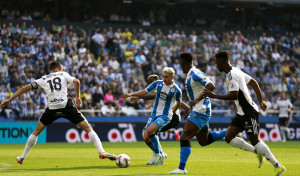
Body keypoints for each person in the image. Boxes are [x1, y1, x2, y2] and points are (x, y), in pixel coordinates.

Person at [0, 61, 116, 164]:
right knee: (88, 128)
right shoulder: (63, 74)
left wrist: (9, 100)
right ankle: (101, 151)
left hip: (52, 108)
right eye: (60, 69)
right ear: (57, 69)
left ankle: (22, 158)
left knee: (37, 131)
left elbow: (23, 89)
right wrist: (77, 98)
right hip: (66, 106)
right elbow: (77, 81)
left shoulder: (43, 79)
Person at [202, 50, 286, 176]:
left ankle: (277, 166)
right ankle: (256, 152)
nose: (216, 65)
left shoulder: (232, 75)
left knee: (255, 141)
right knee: (229, 138)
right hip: (241, 112)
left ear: (222, 62)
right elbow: (253, 82)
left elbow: (234, 95)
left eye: (217, 63)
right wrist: (261, 100)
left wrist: (214, 96)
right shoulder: (236, 70)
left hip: (249, 112)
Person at [169, 52, 228, 174]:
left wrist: (197, 100)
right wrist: (190, 109)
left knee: (185, 137)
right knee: (203, 141)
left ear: (185, 64)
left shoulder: (195, 73)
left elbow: (211, 85)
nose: (180, 67)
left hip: (201, 110)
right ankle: (231, 132)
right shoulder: (190, 74)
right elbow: (196, 94)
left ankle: (181, 168)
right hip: (198, 110)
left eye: (181, 64)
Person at [124, 67, 182, 165]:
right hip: (154, 114)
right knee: (146, 137)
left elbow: (180, 103)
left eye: (166, 77)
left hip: (165, 115)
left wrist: (172, 111)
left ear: (172, 77)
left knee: (151, 131)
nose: (164, 79)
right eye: (163, 76)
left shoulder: (176, 90)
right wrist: (131, 94)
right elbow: (145, 91)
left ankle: (159, 154)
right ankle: (158, 154)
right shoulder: (158, 84)